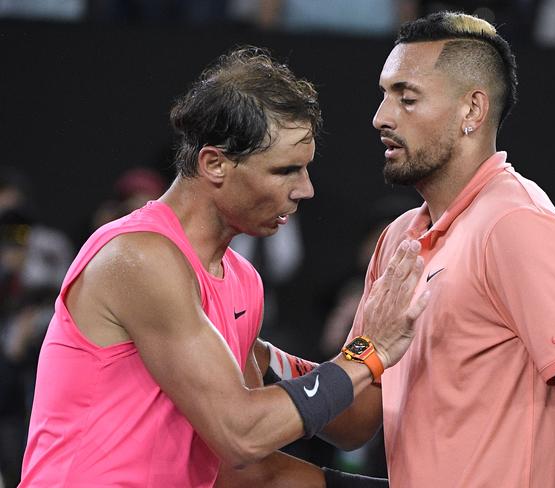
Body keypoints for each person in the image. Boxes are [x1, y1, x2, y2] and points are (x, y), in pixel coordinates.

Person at [247, 12, 555, 487]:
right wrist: (264, 357)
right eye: (384, 95)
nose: (381, 117)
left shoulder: (515, 226)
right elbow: (356, 421)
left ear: (472, 112)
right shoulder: (398, 239)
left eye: (407, 98)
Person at [18, 47, 429, 487]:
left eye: (305, 170)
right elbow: (243, 434)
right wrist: (370, 351)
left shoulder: (241, 280)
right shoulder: (139, 258)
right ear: (215, 163)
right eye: (286, 170)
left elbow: (267, 460)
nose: (305, 190)